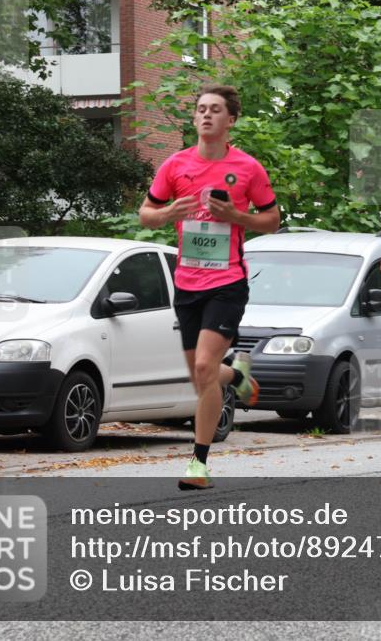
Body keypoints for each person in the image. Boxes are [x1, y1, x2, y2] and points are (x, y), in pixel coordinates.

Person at [139, 84, 281, 489]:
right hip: (186, 283)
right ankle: (235, 376)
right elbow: (145, 215)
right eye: (201, 109)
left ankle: (198, 465)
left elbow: (271, 220)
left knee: (203, 368)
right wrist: (169, 212)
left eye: (215, 110)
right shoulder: (175, 165)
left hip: (227, 282)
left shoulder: (248, 168)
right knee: (199, 375)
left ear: (230, 119)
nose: (206, 115)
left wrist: (236, 215)